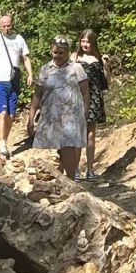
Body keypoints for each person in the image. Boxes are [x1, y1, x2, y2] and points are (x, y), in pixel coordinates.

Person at [30, 38, 88, 182]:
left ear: (68, 52)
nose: (57, 56)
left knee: (67, 145)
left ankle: (71, 180)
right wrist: (31, 118)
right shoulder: (45, 69)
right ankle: (62, 179)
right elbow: (37, 95)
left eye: (61, 53)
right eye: (55, 52)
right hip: (52, 115)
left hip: (72, 114)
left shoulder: (76, 68)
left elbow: (85, 92)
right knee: (60, 148)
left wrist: (85, 112)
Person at [0, 11, 33, 163]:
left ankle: (5, 140)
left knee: (11, 114)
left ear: (12, 25)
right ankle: (2, 143)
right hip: (0, 80)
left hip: (14, 80)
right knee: (3, 112)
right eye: (3, 26)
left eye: (8, 25)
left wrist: (30, 74)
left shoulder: (18, 39)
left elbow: (25, 58)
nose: (6, 28)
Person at [75, 28, 108, 180]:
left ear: (93, 42)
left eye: (87, 42)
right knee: (77, 134)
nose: (85, 44)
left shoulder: (98, 58)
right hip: (78, 98)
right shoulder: (75, 57)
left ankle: (90, 170)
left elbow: (105, 83)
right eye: (83, 41)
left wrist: (105, 66)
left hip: (94, 98)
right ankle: (75, 170)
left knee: (91, 134)